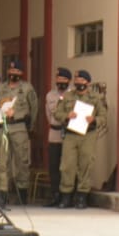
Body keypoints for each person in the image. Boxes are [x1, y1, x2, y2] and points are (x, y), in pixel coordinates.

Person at [53, 69, 108, 209]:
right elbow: (57, 113)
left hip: (88, 135)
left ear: (88, 83)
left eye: (82, 80)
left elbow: (103, 116)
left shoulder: (96, 98)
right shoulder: (68, 96)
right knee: (67, 165)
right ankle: (66, 196)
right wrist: (66, 116)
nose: (79, 83)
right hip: (71, 135)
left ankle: (82, 196)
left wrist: (94, 119)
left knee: (86, 164)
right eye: (76, 80)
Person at [0, 58, 37, 205]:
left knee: (21, 160)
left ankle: (22, 192)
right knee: (2, 161)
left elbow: (34, 109)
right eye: (11, 70)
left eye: (17, 70)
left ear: (21, 73)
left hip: (19, 127)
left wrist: (30, 127)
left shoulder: (27, 88)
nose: (14, 73)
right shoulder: (0, 88)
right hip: (2, 127)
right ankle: (2, 192)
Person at [43, 67, 72, 205]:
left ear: (69, 81)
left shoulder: (73, 95)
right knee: (53, 166)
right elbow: (48, 114)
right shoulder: (50, 95)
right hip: (54, 133)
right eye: (59, 78)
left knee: (67, 166)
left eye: (64, 79)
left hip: (69, 133)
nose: (61, 81)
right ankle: (55, 195)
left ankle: (67, 196)